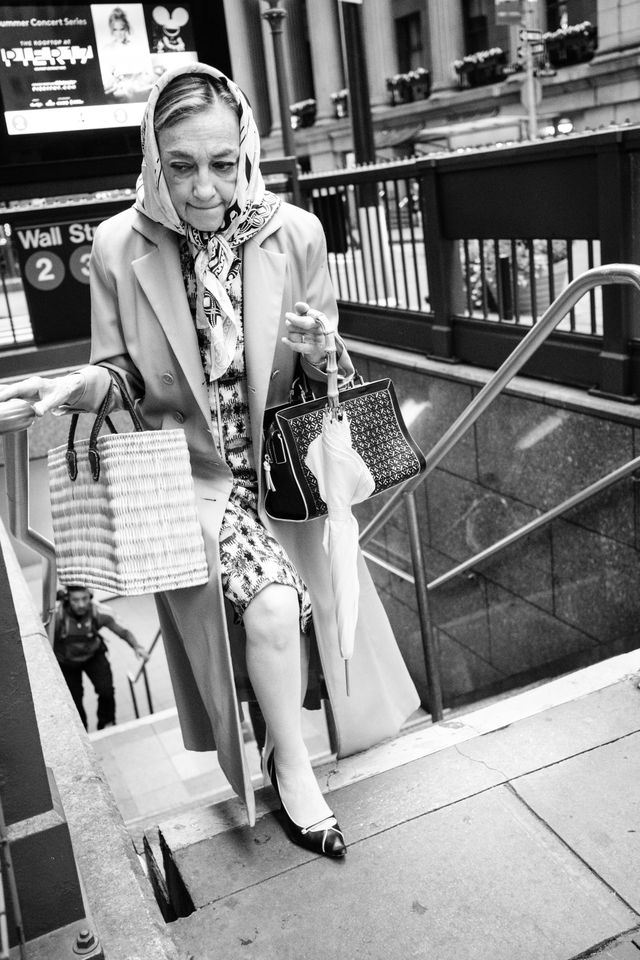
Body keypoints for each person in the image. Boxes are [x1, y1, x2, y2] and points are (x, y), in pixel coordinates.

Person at [0, 63, 419, 859]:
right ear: (153, 156)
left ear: (247, 150)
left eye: (222, 163)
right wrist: (71, 387)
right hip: (194, 476)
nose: (203, 187)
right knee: (268, 608)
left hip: (287, 468)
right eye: (180, 165)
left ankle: (278, 731)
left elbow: (327, 371)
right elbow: (121, 372)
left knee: (301, 628)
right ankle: (295, 775)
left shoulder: (294, 232)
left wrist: (320, 348)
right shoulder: (121, 243)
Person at [54, 584, 148, 730]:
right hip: (67, 662)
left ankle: (106, 723)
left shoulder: (99, 612)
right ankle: (81, 730)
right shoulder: (57, 616)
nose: (81, 604)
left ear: (90, 596)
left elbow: (123, 631)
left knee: (106, 691)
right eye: (76, 600)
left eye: (85, 598)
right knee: (74, 699)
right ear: (67, 599)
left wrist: (137, 646)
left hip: (93, 655)